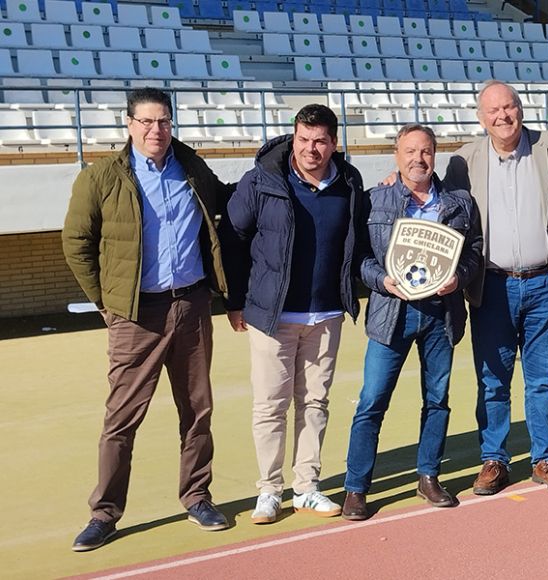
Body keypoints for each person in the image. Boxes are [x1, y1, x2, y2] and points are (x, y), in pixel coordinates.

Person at [62, 87, 233, 552]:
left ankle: (197, 497)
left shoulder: (191, 166)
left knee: (197, 411)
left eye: (163, 121)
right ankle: (104, 513)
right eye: (146, 122)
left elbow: (229, 202)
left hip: (192, 306)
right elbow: (76, 241)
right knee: (121, 418)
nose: (156, 130)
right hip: (135, 313)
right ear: (129, 124)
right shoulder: (100, 178)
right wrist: (106, 300)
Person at [218, 104, 366, 523]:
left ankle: (307, 487)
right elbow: (232, 236)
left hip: (325, 316)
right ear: (293, 137)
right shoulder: (262, 180)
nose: (310, 149)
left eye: (320, 141)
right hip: (272, 315)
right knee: (269, 404)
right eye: (303, 139)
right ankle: (269, 490)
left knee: (314, 402)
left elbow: (358, 237)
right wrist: (234, 299)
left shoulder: (349, 182)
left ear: (334, 144)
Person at [342, 124, 483, 521]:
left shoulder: (459, 202)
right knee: (371, 401)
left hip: (441, 314)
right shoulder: (376, 200)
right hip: (393, 314)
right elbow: (359, 261)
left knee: (437, 400)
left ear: (434, 156)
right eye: (410, 151)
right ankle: (356, 488)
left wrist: (461, 277)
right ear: (396, 155)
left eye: (425, 152)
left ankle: (429, 475)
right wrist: (382, 280)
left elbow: (474, 250)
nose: (418, 159)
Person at [444, 80, 548, 495]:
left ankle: (545, 459)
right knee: (493, 379)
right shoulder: (462, 162)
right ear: (481, 118)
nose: (503, 116)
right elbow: (434, 201)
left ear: (521, 108)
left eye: (509, 107)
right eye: (493, 111)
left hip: (546, 285)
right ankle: (494, 460)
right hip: (493, 286)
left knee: (542, 379)